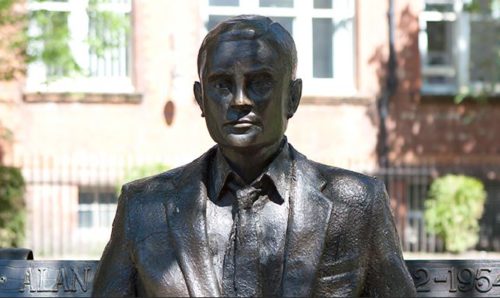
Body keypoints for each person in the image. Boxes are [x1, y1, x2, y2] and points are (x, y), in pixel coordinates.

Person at [92, 15, 416, 297]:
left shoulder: (357, 204)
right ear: (200, 99)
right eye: (221, 85)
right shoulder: (144, 208)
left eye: (259, 83)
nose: (240, 100)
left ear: (293, 97)